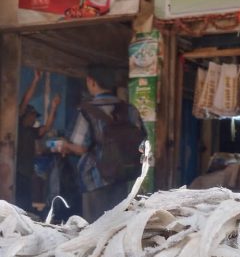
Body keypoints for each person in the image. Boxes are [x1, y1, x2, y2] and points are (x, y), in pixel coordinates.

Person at [56, 65, 145, 222]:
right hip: (124, 174)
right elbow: (142, 138)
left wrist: (65, 145)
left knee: (95, 226)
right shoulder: (130, 109)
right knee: (118, 223)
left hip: (96, 178)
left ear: (91, 82)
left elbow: (81, 147)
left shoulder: (86, 111)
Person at [16, 70, 61, 212]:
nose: (35, 119)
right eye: (33, 115)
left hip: (27, 173)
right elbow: (25, 101)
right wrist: (35, 80)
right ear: (25, 115)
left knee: (25, 205)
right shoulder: (17, 127)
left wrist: (54, 107)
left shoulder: (32, 131)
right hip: (17, 173)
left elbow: (47, 127)